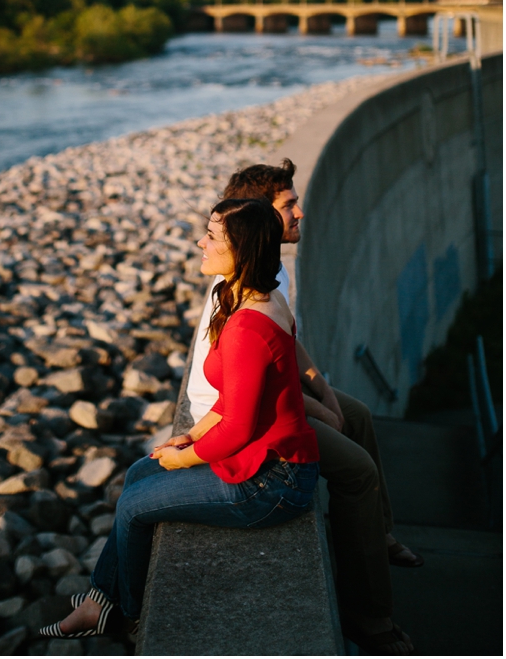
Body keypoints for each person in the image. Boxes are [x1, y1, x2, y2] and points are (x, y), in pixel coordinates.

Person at [40, 197, 320, 639]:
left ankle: (126, 617)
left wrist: (186, 459)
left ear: (241, 251)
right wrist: (189, 437)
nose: (199, 243)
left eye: (212, 237)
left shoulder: (249, 325)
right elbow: (231, 400)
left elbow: (239, 427)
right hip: (263, 461)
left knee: (133, 505)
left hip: (275, 481)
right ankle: (100, 601)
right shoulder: (242, 295)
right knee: (138, 473)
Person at [188, 161, 418, 656]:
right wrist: (316, 409)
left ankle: (377, 535)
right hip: (239, 408)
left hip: (269, 392)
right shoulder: (238, 286)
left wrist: (328, 398)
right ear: (258, 220)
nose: (300, 212)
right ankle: (369, 614)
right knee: (356, 472)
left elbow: (289, 346)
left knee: (356, 415)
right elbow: (248, 389)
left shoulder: (269, 273)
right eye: (288, 204)